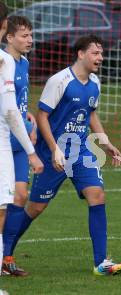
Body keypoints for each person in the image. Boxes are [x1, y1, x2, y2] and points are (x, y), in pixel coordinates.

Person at [5, 34, 121, 275]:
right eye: (95, 53)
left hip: (80, 151)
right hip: (53, 154)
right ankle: (5, 252)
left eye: (101, 53)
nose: (100, 58)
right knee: (35, 208)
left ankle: (101, 263)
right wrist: (54, 149)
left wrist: (105, 143)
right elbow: (42, 116)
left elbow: (91, 114)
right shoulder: (59, 81)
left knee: (97, 195)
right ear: (80, 54)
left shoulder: (95, 83)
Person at [0, 1, 44, 277]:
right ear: (8, 36)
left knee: (19, 196)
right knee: (8, 200)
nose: (30, 40)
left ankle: (7, 257)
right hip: (7, 137)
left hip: (18, 138)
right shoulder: (4, 61)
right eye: (24, 35)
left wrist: (30, 117)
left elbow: (17, 102)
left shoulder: (24, 63)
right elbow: (7, 106)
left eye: (31, 35)